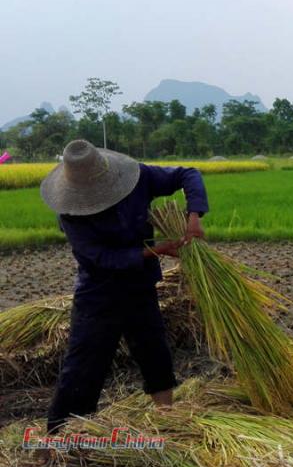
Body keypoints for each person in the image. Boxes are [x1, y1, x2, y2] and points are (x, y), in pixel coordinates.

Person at [40, 139, 209, 433]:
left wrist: (193, 215)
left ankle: (167, 419)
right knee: (83, 365)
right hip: (98, 294)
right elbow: (99, 258)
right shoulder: (71, 215)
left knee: (154, 350)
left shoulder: (138, 177)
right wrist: (155, 251)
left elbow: (188, 173)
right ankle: (59, 435)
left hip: (140, 286)